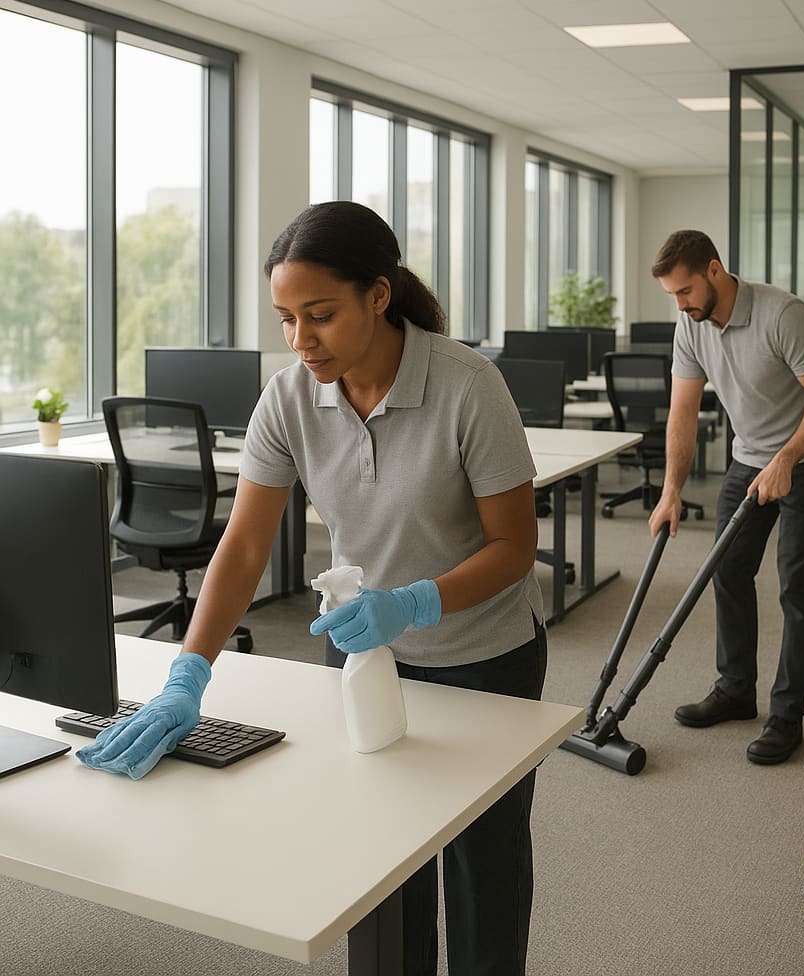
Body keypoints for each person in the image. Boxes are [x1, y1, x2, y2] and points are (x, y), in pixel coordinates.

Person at [77, 200, 547, 976]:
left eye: (319, 315)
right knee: (382, 857)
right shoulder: (290, 396)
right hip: (365, 655)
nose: (301, 341)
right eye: (285, 319)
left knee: (483, 863)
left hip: (482, 655)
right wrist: (188, 675)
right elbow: (245, 544)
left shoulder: (468, 385)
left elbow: (514, 546)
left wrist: (415, 601)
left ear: (378, 295)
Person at [647, 230, 804, 765]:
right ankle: (736, 689)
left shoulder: (783, 314)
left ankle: (787, 716)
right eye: (672, 295)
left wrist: (788, 458)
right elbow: (683, 412)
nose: (680, 304)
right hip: (749, 458)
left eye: (684, 290)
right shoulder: (690, 327)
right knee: (728, 570)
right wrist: (671, 491)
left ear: (715, 270)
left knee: (797, 584)